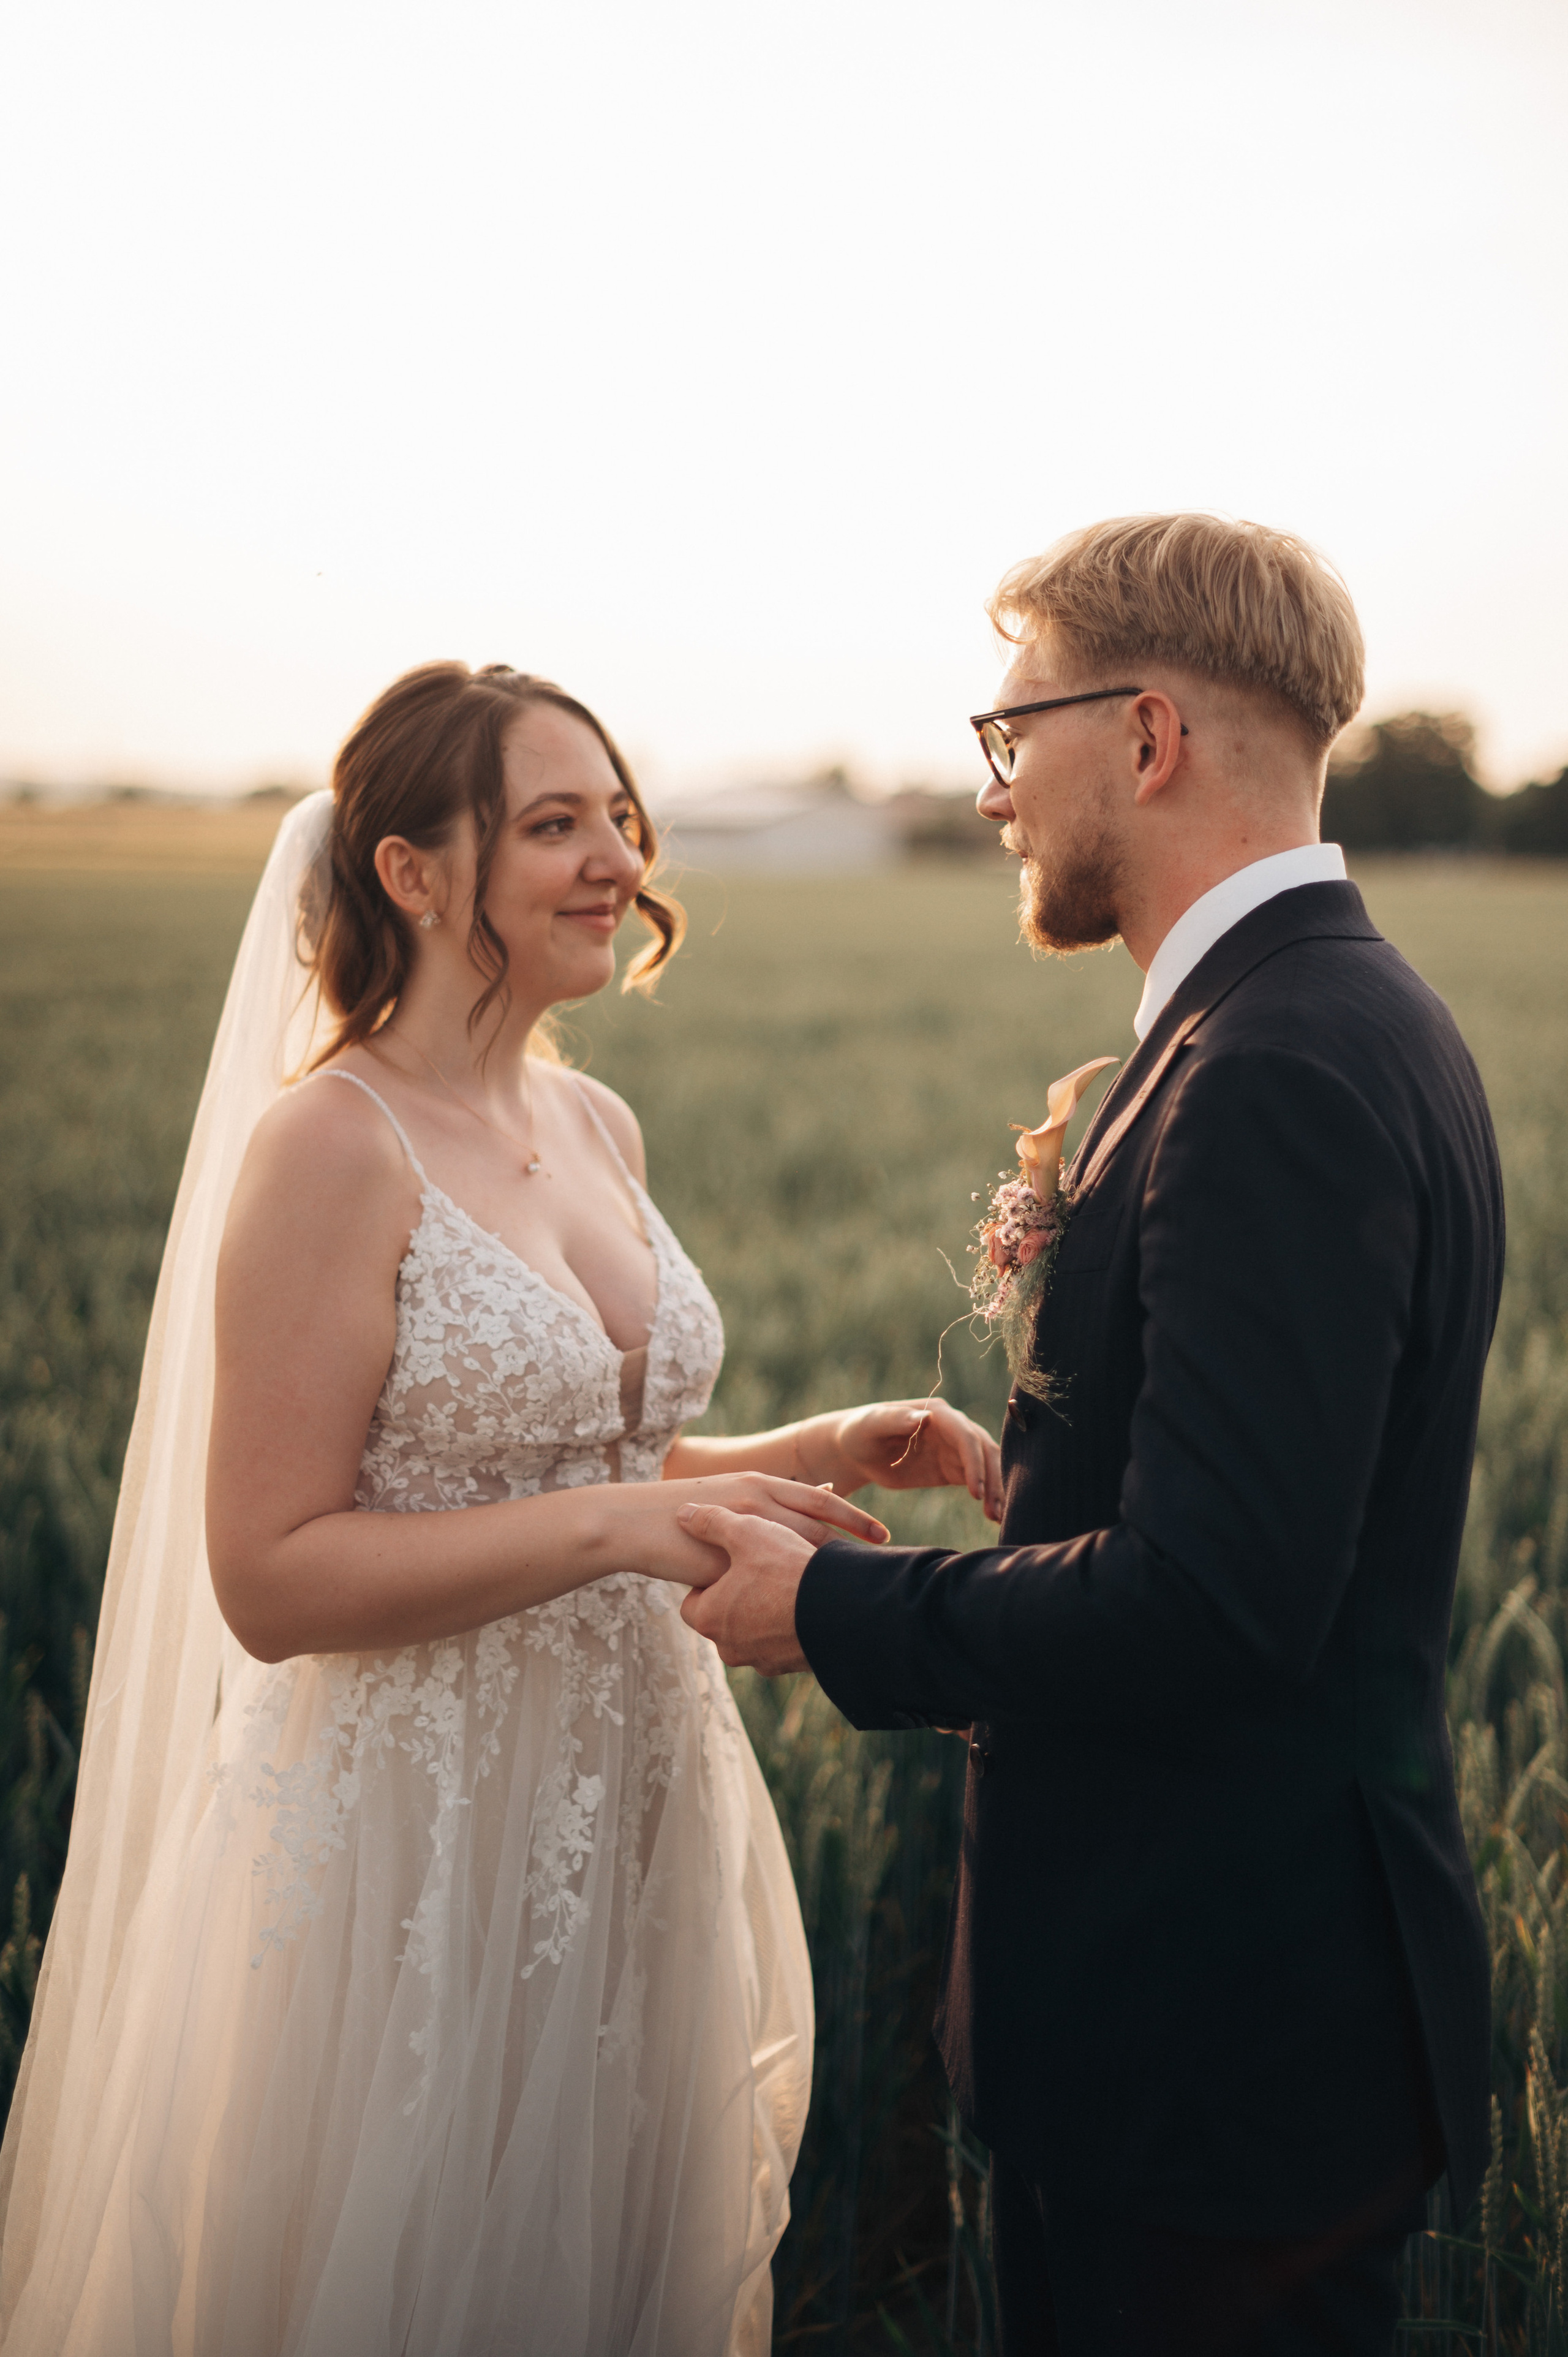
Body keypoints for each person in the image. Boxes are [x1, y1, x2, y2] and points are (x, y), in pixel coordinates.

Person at [0, 660, 1001, 2357]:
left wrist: (821, 1444)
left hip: (628, 1814)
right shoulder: (333, 1142)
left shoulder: (589, 1117)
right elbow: (274, 1570)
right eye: (554, 823)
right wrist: (622, 1532)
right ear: (409, 868)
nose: (616, 856)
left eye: (619, 816)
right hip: (414, 1837)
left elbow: (547, 1467)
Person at [677, 516, 1504, 2356]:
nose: (988, 795)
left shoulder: (1273, 1066)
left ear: (1144, 737)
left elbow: (1212, 1603)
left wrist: (834, 1607)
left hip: (1218, 2048)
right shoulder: (1326, 1015)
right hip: (1217, 2022)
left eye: (1005, 736)